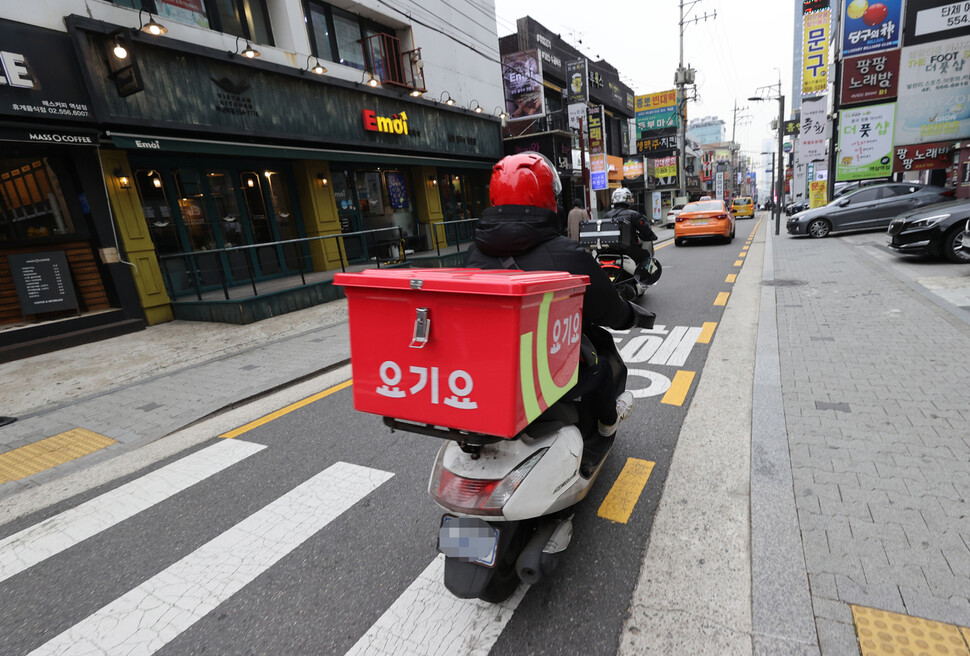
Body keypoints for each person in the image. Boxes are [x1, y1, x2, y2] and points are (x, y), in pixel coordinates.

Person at [465, 152, 654, 438]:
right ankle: (606, 426)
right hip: (541, 375)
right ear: (545, 197)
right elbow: (608, 309)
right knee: (600, 369)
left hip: (487, 372)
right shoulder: (567, 254)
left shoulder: (473, 254)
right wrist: (631, 314)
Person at [603, 187, 657, 265]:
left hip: (609, 251)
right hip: (629, 251)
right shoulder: (634, 215)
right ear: (628, 198)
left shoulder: (606, 215)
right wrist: (651, 236)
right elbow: (646, 231)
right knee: (646, 255)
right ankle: (641, 277)